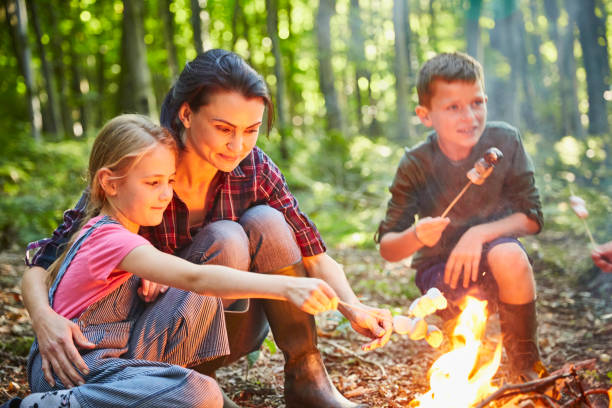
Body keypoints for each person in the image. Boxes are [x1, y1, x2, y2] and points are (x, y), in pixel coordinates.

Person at [21, 49, 391, 408]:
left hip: (227, 324)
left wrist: (354, 308)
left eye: (251, 130)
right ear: (186, 114)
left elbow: (316, 255)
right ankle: (176, 389)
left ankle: (306, 378)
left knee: (267, 221)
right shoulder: (140, 166)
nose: (238, 145)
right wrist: (44, 320)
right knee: (227, 238)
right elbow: (45, 261)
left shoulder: (254, 169)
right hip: (122, 338)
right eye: (223, 128)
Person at [4, 114, 341, 408]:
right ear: (109, 183)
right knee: (200, 394)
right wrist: (286, 285)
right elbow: (197, 278)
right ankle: (48, 405)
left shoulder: (124, 233)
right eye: (152, 183)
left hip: (119, 357)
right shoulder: (109, 237)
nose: (166, 194)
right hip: (73, 369)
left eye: (169, 181)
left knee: (195, 388)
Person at [376, 52, 546, 382]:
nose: (469, 116)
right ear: (425, 115)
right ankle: (461, 366)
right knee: (463, 336)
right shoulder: (415, 163)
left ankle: (526, 366)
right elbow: (388, 248)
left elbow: (532, 217)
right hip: (442, 272)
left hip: (497, 255)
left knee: (510, 254)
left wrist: (478, 233)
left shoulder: (505, 141)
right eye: (453, 107)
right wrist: (416, 236)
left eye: (477, 103)